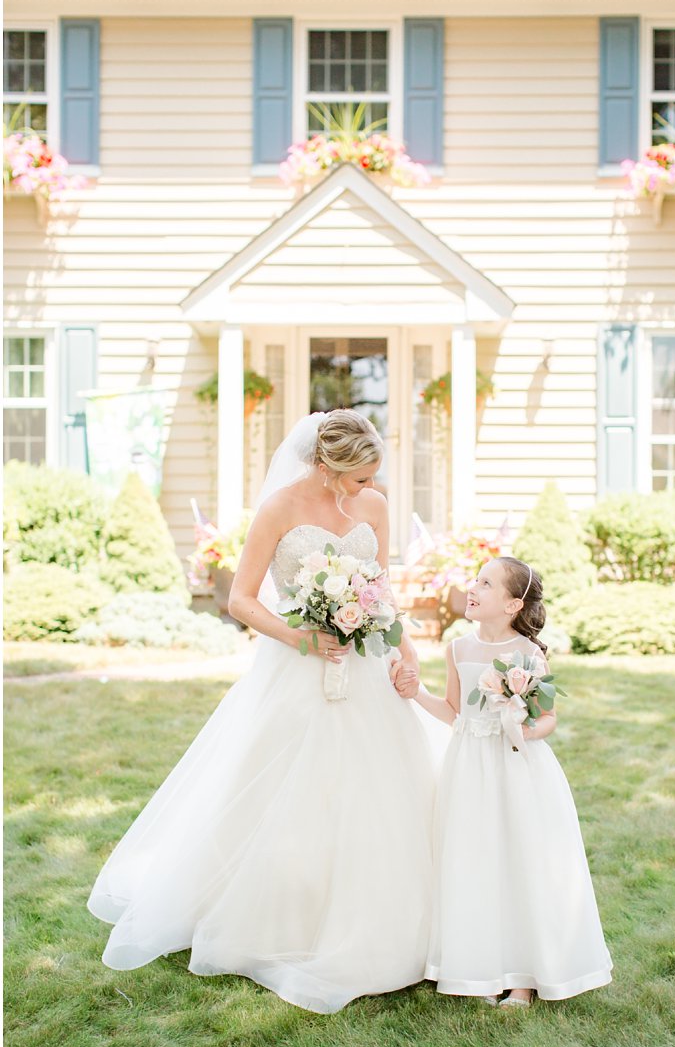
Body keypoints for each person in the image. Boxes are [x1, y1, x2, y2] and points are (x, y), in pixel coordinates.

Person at [88, 409, 437, 1014]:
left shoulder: (374, 509)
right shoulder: (278, 509)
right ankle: (275, 916)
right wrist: (301, 638)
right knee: (288, 795)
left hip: (366, 670)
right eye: (358, 478)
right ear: (326, 466)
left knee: (378, 795)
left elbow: (383, 596)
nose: (367, 489)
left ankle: (377, 919)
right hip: (298, 670)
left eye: (373, 477)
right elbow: (242, 600)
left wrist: (408, 660)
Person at [400, 556, 612, 1007]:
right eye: (475, 579)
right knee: (474, 859)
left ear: (513, 604)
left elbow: (548, 717)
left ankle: (525, 979)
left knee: (521, 859)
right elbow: (454, 711)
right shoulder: (458, 649)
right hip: (468, 766)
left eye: (486, 583)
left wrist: (523, 728)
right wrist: (415, 692)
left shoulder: (528, 655)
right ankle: (478, 966)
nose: (472, 587)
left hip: (516, 767)